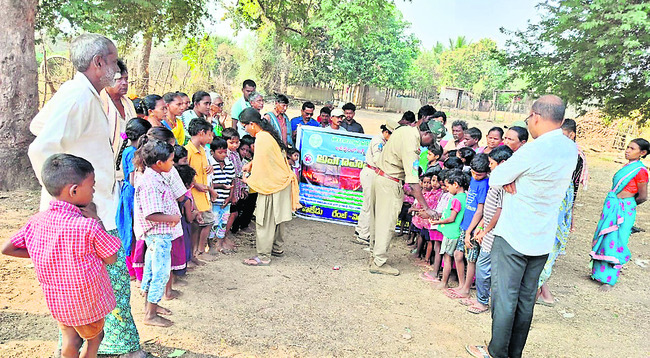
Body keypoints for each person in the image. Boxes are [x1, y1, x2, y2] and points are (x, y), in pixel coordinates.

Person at [27, 33, 142, 357]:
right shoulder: (78, 96)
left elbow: (40, 125)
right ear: (98, 63)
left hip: (95, 206)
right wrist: (68, 200)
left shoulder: (82, 93)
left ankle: (105, 344)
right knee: (108, 279)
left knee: (95, 283)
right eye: (114, 60)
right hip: (83, 213)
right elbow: (41, 147)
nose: (117, 69)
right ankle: (105, 346)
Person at [467, 95, 578, 358]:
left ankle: (496, 352)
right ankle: (514, 353)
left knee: (505, 297)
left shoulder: (534, 149)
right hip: (542, 238)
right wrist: (509, 178)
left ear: (536, 117)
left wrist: (509, 177)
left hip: (514, 236)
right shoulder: (569, 148)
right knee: (526, 299)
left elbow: (497, 176)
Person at [2, 154, 121, 358]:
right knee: (95, 338)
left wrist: (45, 254)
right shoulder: (88, 226)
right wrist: (98, 220)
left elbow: (7, 248)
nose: (93, 191)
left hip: (59, 300)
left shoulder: (37, 221)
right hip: (87, 301)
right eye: (91, 186)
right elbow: (111, 257)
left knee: (70, 338)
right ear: (74, 190)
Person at [368, 119, 435, 275]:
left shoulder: (404, 129)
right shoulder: (412, 145)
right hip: (390, 183)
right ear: (426, 133)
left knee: (377, 221)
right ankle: (378, 262)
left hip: (379, 178)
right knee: (386, 224)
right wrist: (426, 207)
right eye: (432, 140)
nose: (430, 145)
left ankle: (374, 255)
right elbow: (413, 183)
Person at [240, 108, 300, 266]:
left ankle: (263, 256)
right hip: (282, 182)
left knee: (265, 219)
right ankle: (277, 248)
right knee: (277, 218)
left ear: (252, 124)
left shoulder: (261, 138)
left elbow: (263, 167)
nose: (245, 130)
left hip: (272, 184)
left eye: (245, 126)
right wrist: (251, 165)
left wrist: (248, 180)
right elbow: (268, 159)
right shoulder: (268, 135)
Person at [537, 118, 587, 305]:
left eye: (563, 134)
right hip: (553, 201)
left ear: (572, 134)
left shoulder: (575, 155)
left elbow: (573, 186)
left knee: (549, 247)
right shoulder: (558, 150)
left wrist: (570, 212)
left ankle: (539, 291)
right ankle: (544, 293)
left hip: (560, 203)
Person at [590, 138, 648, 290]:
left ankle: (609, 280)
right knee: (605, 239)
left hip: (624, 210)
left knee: (617, 242)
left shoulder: (641, 171)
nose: (627, 150)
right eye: (627, 147)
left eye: (632, 148)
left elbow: (642, 196)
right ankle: (598, 274)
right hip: (613, 205)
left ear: (642, 153)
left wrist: (625, 205)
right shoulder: (627, 167)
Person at [133, 140, 180, 327]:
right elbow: (151, 214)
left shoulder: (155, 177)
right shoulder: (151, 182)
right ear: (159, 163)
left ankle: (150, 307)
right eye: (171, 160)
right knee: (160, 274)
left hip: (159, 236)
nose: (173, 163)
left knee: (152, 272)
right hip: (159, 236)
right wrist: (173, 218)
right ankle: (151, 315)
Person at [461, 145, 514, 314]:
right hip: (488, 231)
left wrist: (485, 230)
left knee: (485, 269)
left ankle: (483, 302)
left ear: (502, 163)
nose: (489, 167)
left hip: (493, 235)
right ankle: (483, 299)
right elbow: (489, 210)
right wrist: (482, 225)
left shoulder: (503, 184)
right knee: (484, 269)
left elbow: (499, 211)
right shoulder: (496, 180)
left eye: (491, 163)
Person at [447, 154, 490, 300]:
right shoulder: (473, 179)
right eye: (473, 173)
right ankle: (461, 284)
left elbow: (480, 210)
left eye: (479, 174)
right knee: (458, 255)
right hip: (465, 224)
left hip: (473, 227)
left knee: (471, 259)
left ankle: (466, 289)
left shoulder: (485, 184)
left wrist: (469, 232)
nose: (475, 176)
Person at [116, 118, 152, 277]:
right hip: (132, 193)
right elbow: (132, 178)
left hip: (128, 191)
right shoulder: (133, 153)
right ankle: (132, 269)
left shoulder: (127, 150)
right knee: (133, 230)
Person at [354, 120, 396, 245]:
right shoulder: (379, 142)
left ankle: (361, 229)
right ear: (387, 132)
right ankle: (364, 235)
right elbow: (378, 160)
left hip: (371, 173)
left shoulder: (382, 141)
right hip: (372, 172)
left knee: (367, 204)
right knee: (370, 205)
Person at [429, 169, 468, 289]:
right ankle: (457, 283)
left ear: (455, 184)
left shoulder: (456, 199)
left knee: (447, 258)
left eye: (448, 186)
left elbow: (451, 218)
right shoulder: (464, 197)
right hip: (455, 232)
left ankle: (444, 282)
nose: (447, 189)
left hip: (451, 233)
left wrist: (438, 221)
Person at [100, 58, 137, 182]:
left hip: (128, 165)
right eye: (118, 79)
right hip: (104, 167)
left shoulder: (128, 104)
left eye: (126, 79)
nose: (124, 83)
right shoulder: (99, 103)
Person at [185, 118, 216, 263]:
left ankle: (198, 252)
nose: (211, 138)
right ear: (201, 133)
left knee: (204, 223)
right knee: (199, 225)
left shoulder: (203, 150)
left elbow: (205, 168)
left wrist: (210, 168)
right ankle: (196, 252)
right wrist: (195, 184)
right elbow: (185, 173)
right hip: (194, 195)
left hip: (204, 194)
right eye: (210, 134)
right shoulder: (188, 151)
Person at [209, 137, 236, 254]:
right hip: (214, 200)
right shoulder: (209, 164)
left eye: (225, 152)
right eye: (220, 152)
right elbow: (209, 183)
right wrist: (220, 186)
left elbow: (232, 181)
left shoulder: (229, 163)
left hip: (226, 200)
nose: (223, 155)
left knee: (223, 222)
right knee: (212, 222)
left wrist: (230, 196)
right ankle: (210, 245)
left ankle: (219, 244)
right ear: (212, 152)